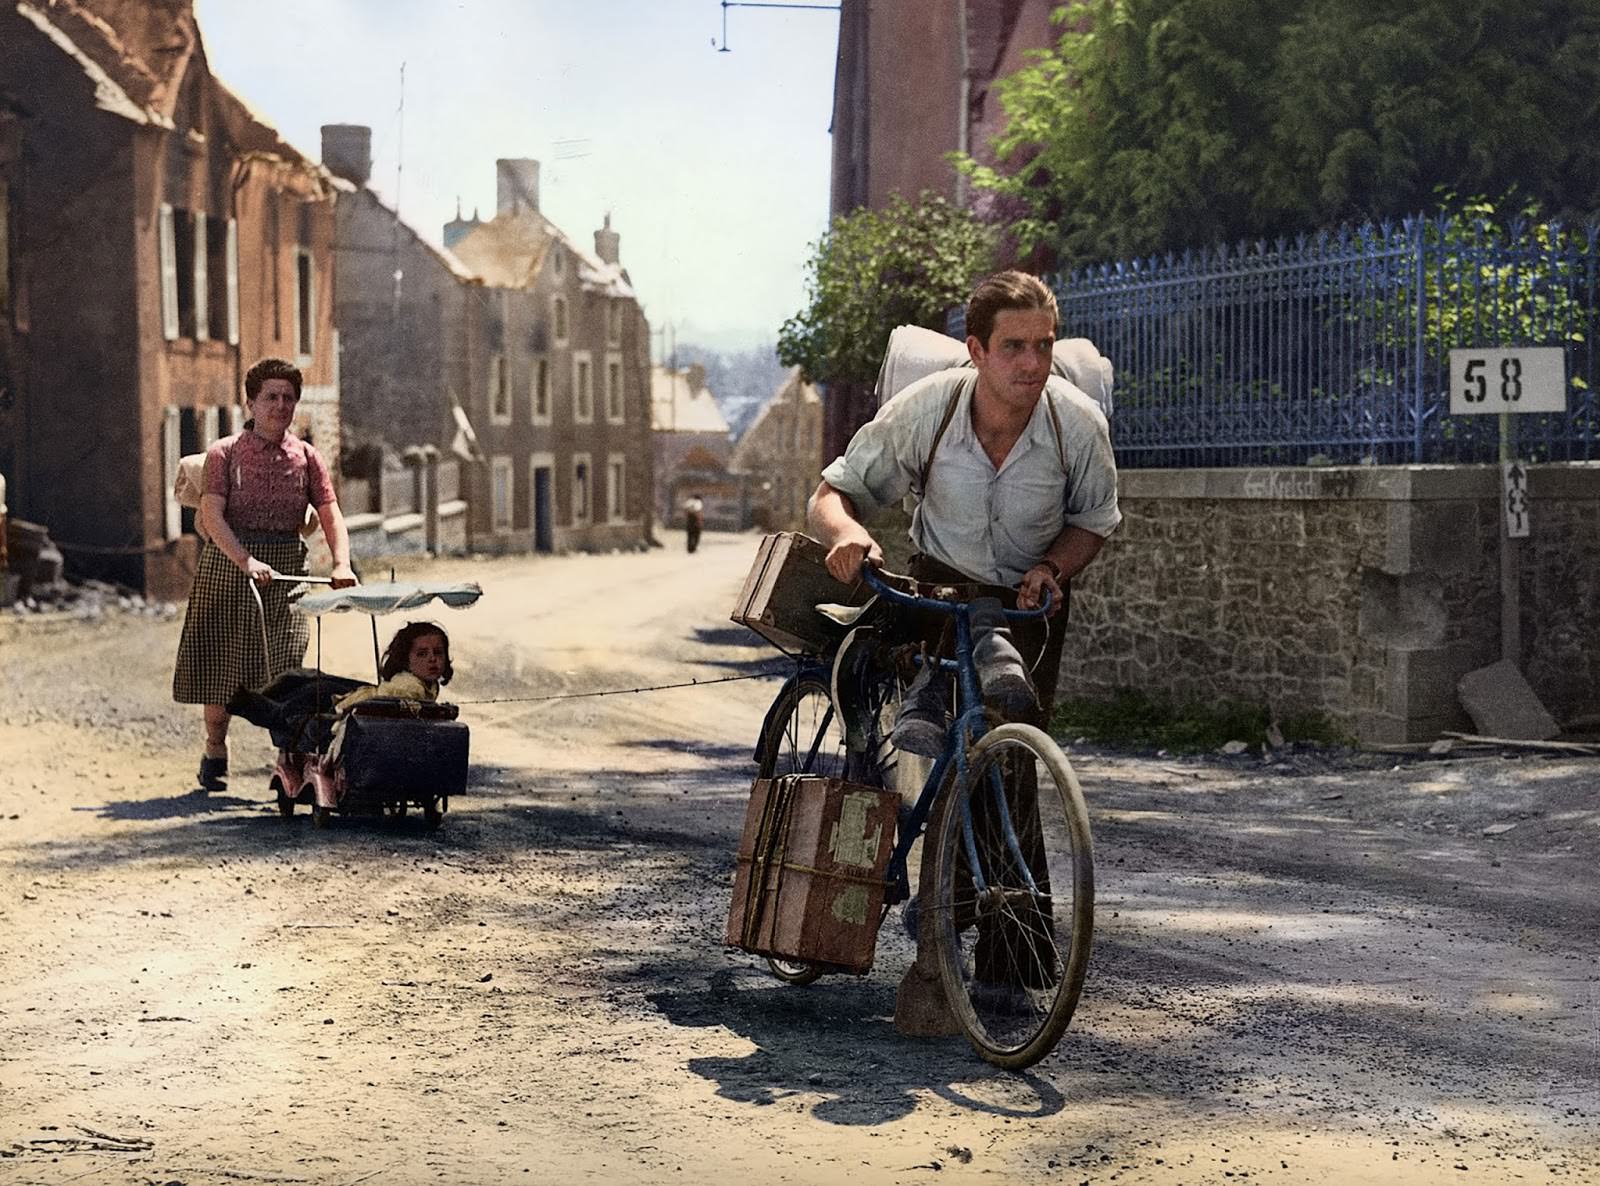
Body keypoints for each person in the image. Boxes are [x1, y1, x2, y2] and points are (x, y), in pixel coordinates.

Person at [806, 269, 1121, 1035]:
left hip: (1028, 601)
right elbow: (832, 492)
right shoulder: (932, 409)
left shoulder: (1076, 424)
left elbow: (1094, 521)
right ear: (975, 351)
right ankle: (929, 909)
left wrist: (1054, 568)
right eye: (1013, 347)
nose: (1032, 364)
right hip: (939, 593)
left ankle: (1008, 964)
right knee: (942, 754)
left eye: (1043, 346)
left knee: (1010, 764)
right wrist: (848, 536)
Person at [172, 358, 357, 792]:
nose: (280, 405)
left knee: (286, 669)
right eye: (270, 397)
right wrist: (245, 560)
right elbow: (213, 516)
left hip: (287, 570)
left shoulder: (307, 457)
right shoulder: (225, 453)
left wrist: (341, 563)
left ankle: (289, 756)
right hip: (228, 564)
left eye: (288, 397)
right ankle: (215, 749)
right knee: (220, 663)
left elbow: (331, 513)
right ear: (251, 401)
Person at [325, 622, 452, 766]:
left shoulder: (429, 684)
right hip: (365, 713)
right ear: (406, 660)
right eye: (422, 654)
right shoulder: (410, 688)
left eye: (438, 652)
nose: (432, 659)